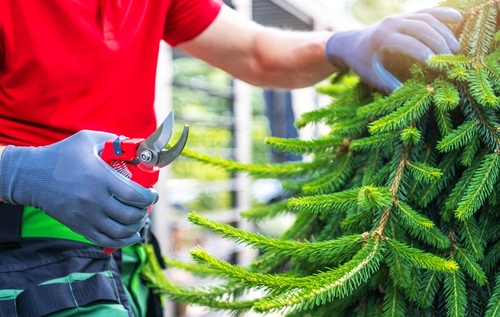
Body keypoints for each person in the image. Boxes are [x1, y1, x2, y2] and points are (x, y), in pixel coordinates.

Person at [0, 1, 462, 316]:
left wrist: (339, 44)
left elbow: (255, 52)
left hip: (126, 250)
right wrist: (19, 172)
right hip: (20, 250)